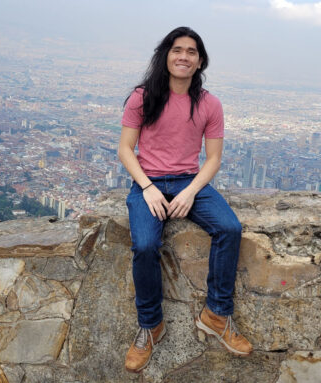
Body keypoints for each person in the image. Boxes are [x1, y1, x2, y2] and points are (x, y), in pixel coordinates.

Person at [118, 26, 252, 374]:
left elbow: (213, 159)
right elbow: (125, 149)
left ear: (200, 61)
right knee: (145, 244)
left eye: (191, 51)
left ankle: (216, 314)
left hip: (189, 182)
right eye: (178, 50)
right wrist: (147, 187)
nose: (184, 56)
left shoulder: (209, 104)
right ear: (166, 55)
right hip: (148, 182)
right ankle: (151, 325)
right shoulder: (142, 97)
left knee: (229, 228)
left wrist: (190, 191)